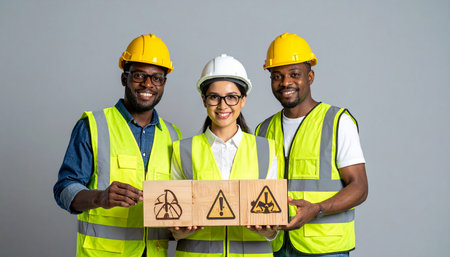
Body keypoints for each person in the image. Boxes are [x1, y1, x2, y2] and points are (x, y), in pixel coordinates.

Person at [53, 34, 182, 257]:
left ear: (164, 84)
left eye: (156, 78)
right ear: (124, 78)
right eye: (139, 75)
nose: (148, 84)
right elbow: (64, 189)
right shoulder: (93, 125)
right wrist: (99, 197)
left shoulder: (173, 135)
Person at [255, 33, 368, 257]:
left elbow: (360, 187)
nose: (285, 82)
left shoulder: (336, 122)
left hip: (325, 250)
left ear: (310, 76)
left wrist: (317, 209)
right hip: (277, 247)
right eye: (277, 76)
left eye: (294, 74)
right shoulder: (263, 130)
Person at [170, 54, 279, 257]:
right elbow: (174, 216)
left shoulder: (266, 150)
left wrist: (270, 231)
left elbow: (273, 219)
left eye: (231, 97)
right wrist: (177, 231)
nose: (222, 106)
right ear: (204, 100)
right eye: (214, 97)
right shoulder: (183, 150)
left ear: (243, 100)